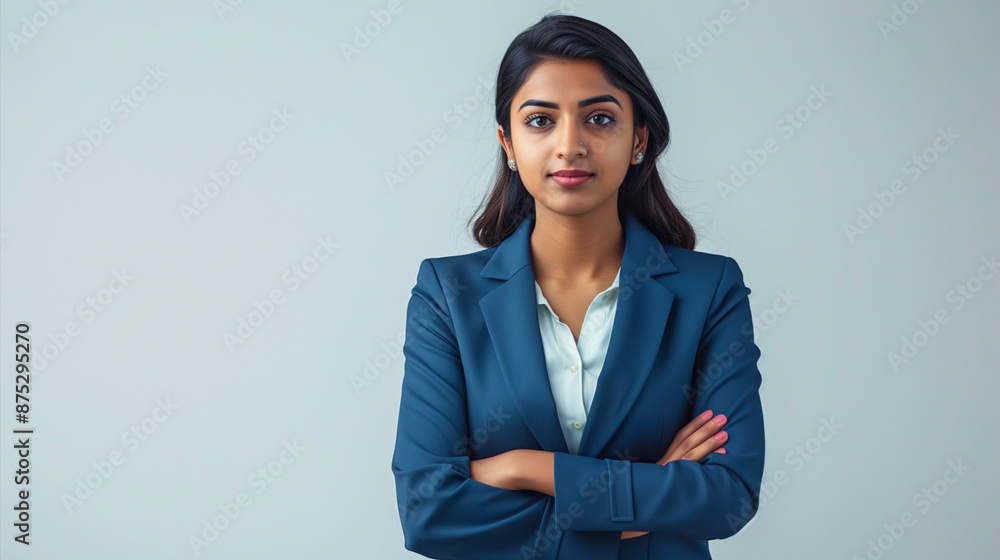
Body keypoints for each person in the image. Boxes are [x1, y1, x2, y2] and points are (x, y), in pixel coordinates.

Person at [391, 13, 764, 559]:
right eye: (541, 121)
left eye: (599, 119)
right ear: (508, 143)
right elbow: (426, 512)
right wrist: (637, 502)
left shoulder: (709, 290)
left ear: (639, 138)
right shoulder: (447, 295)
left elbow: (727, 496)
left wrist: (525, 468)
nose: (570, 145)